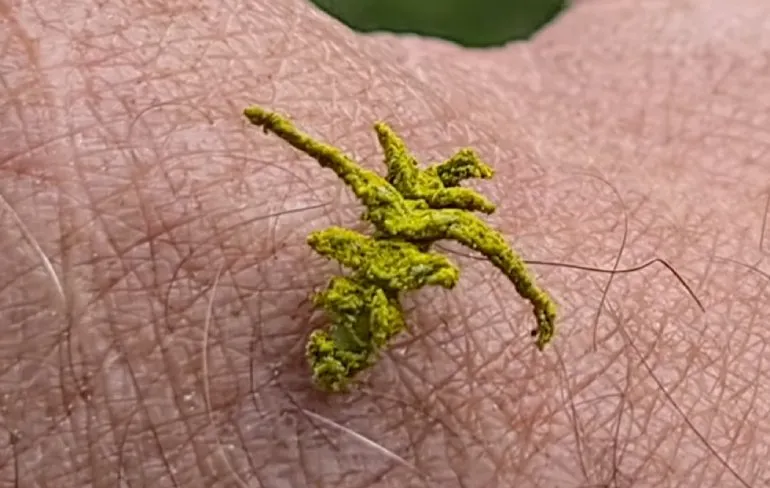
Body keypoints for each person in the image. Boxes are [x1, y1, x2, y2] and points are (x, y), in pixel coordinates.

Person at [1, 0, 767, 486]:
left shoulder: (428, 215)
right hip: (368, 285)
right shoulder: (417, 207)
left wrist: (535, 299)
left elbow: (488, 249)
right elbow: (351, 169)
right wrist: (282, 130)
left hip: (373, 289)